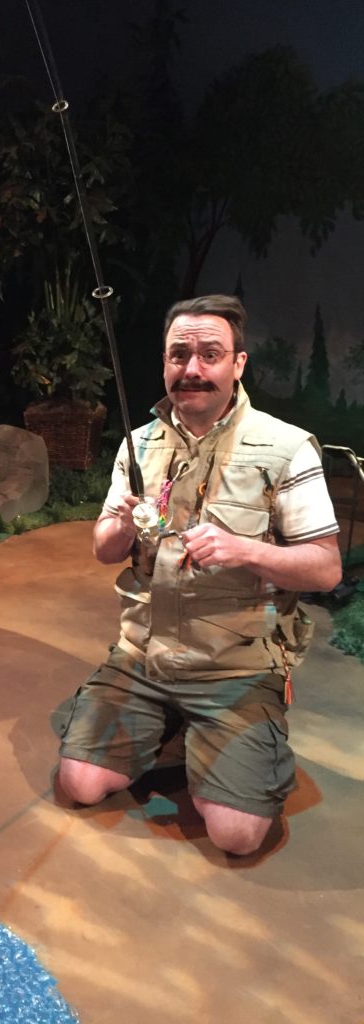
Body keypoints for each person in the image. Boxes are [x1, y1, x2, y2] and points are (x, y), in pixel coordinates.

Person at [55, 294, 342, 855]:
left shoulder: (285, 447)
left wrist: (245, 550)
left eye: (210, 354)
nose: (192, 369)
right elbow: (102, 548)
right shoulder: (137, 445)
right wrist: (121, 527)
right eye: (179, 354)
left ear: (238, 364)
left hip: (234, 667)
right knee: (80, 785)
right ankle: (170, 725)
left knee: (236, 835)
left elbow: (327, 568)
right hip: (143, 655)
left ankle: (223, 736)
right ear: (164, 363)